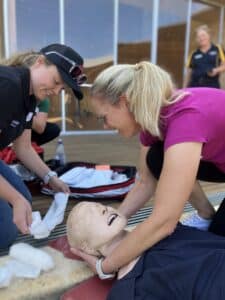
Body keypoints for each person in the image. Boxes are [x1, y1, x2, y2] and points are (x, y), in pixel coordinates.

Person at [71, 61, 225, 281]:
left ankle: (213, 222)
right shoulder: (151, 121)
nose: (105, 126)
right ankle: (206, 215)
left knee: (219, 240)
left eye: (103, 117)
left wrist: (105, 266)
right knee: (156, 157)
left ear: (124, 102)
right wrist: (110, 223)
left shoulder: (186, 119)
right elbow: (145, 182)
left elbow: (165, 222)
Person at [0, 43, 86, 248]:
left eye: (61, 88)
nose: (56, 91)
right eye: (56, 81)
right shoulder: (7, 85)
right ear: (39, 62)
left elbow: (23, 148)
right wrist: (15, 198)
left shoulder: (29, 98)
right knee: (6, 232)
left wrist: (50, 177)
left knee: (24, 201)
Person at [67, 201, 225, 299]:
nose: (105, 209)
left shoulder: (167, 227)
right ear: (86, 247)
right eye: (90, 215)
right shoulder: (128, 292)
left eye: (103, 206)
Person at [184, 24, 225, 88]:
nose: (201, 38)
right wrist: (184, 88)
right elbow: (188, 73)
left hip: (212, 86)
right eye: (198, 37)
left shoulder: (218, 49)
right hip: (194, 86)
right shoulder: (194, 53)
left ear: (209, 35)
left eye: (203, 35)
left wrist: (216, 70)